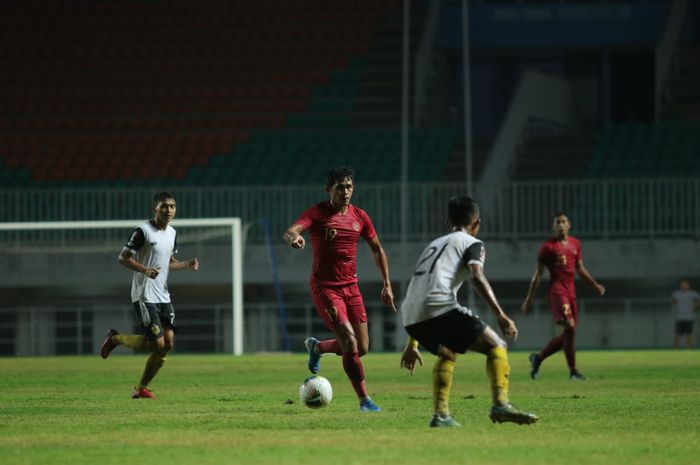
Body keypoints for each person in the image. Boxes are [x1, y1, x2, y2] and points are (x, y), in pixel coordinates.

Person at [399, 195, 538, 427]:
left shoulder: (433, 245)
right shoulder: (472, 243)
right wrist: (501, 314)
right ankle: (500, 405)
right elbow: (477, 275)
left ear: (448, 223)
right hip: (439, 306)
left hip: (410, 314)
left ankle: (441, 415)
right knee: (497, 345)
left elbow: (421, 293)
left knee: (448, 352)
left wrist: (412, 344)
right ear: (476, 223)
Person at [284, 166, 396, 412]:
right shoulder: (318, 212)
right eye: (340, 187)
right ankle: (364, 400)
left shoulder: (360, 217)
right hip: (325, 287)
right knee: (348, 340)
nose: (346, 192)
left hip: (351, 287)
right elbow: (291, 230)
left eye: (349, 186)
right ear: (329, 189)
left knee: (362, 347)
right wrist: (295, 238)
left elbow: (377, 249)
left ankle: (318, 347)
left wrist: (386, 283)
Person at [100, 192, 199, 399]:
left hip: (163, 295)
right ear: (154, 209)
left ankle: (141, 388)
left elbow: (169, 262)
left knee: (168, 344)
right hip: (144, 294)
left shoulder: (172, 233)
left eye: (172, 206)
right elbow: (123, 258)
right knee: (158, 344)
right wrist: (144, 270)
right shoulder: (142, 231)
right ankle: (116, 339)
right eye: (164, 206)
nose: (169, 210)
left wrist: (187, 264)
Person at [521, 212, 605, 381]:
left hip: (571, 292)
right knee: (570, 327)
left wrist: (594, 285)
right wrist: (529, 299)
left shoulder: (575, 244)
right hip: (557, 292)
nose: (560, 225)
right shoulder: (548, 247)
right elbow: (538, 274)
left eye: (563, 222)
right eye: (557, 222)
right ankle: (573, 371)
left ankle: (538, 358)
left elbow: (580, 269)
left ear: (569, 225)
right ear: (553, 226)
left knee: (569, 332)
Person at [671, 279, 700, 349]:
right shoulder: (676, 294)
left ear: (688, 286)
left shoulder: (693, 293)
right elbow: (673, 300)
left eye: (686, 285)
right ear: (680, 286)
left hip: (689, 318)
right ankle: (675, 349)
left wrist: (694, 306)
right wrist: (675, 305)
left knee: (689, 334)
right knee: (677, 334)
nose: (684, 286)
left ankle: (689, 349)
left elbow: (699, 300)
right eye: (683, 285)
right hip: (679, 318)